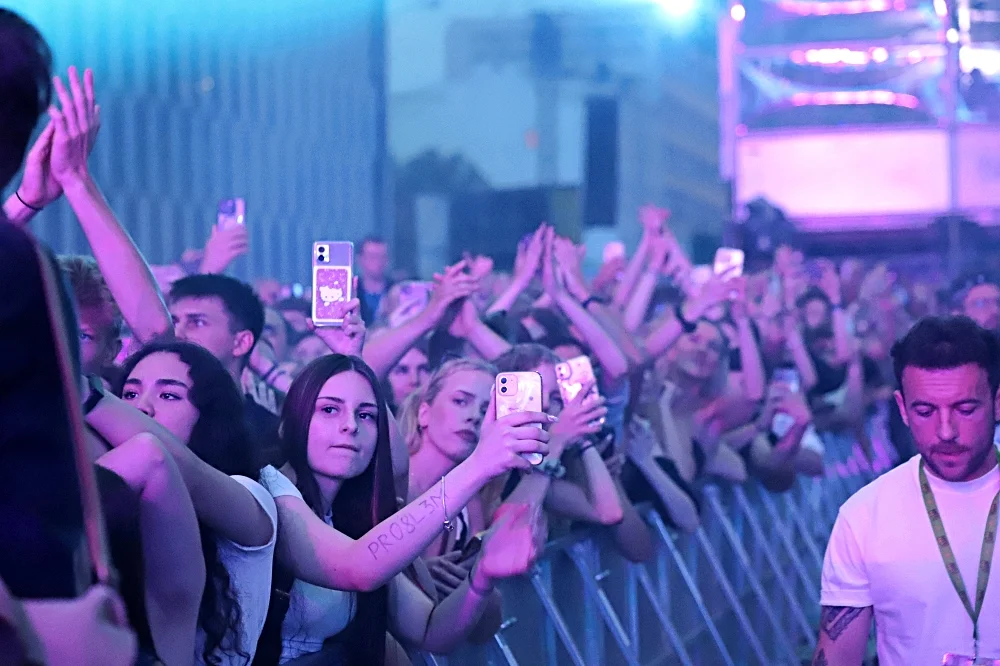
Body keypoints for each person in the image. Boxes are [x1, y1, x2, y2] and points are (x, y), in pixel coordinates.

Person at [255, 354, 550, 665]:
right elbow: (358, 568)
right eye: (329, 410)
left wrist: (483, 574)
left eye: (366, 415)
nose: (350, 426)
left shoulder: (349, 519)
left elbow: (431, 631)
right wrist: (479, 464)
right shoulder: (270, 491)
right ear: (295, 419)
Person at [814, 316, 1000, 665]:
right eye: (926, 411)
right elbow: (836, 657)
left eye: (965, 408)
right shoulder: (865, 515)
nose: (945, 431)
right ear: (902, 409)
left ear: (998, 403)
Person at [85, 340, 279, 665]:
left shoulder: (249, 493)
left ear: (208, 417)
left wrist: (82, 394)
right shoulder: (116, 487)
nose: (142, 407)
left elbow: (161, 457)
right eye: (130, 394)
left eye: (169, 395)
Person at [168, 273, 286, 464]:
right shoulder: (152, 417)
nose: (178, 334)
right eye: (174, 322)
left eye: (196, 322)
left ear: (240, 342)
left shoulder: (272, 437)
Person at [357, 235, 392, 324]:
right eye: (372, 256)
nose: (378, 261)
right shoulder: (350, 292)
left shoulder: (396, 290)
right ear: (360, 259)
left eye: (382, 257)